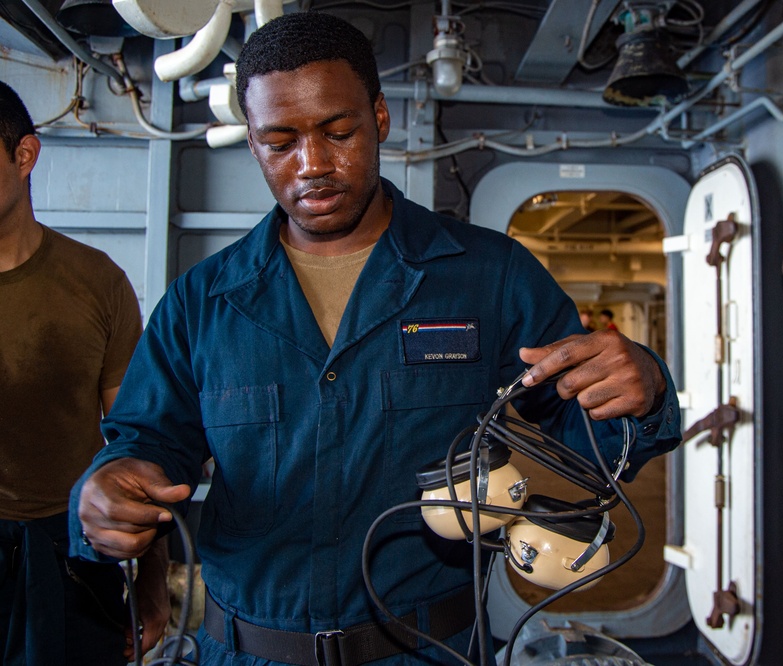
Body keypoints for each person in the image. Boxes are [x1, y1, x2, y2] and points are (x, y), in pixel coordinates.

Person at [70, 11, 682, 666]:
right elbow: (148, 440)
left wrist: (639, 391)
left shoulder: (490, 277)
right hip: (246, 650)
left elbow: (581, 438)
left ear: (380, 119)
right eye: (280, 143)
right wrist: (107, 485)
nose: (313, 166)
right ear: (251, 142)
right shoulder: (202, 302)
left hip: (429, 650)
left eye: (339, 132)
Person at [0, 80, 170, 664]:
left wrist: (152, 585)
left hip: (70, 557)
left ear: (24, 156)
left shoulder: (96, 281)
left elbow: (136, 442)